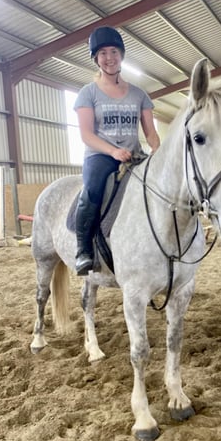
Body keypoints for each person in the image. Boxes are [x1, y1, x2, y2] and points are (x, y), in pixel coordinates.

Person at [73, 26, 161, 275]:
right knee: (92, 191)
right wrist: (112, 152)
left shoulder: (139, 94)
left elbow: (150, 133)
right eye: (102, 53)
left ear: (121, 54)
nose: (109, 57)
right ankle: (84, 250)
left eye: (113, 51)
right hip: (100, 156)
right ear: (96, 59)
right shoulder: (87, 94)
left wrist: (157, 150)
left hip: (133, 155)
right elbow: (86, 135)